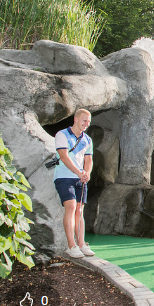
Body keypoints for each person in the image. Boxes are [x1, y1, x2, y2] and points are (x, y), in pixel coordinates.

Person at [53, 108, 95, 258]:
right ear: (76, 119)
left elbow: (88, 160)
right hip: (64, 177)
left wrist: (87, 173)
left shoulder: (87, 139)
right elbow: (64, 157)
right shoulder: (62, 134)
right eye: (84, 120)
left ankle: (82, 244)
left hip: (80, 179)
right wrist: (79, 172)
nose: (86, 124)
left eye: (88, 122)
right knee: (71, 207)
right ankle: (71, 245)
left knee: (79, 210)